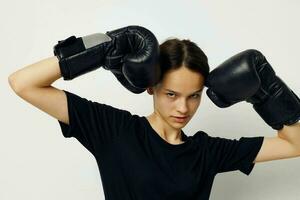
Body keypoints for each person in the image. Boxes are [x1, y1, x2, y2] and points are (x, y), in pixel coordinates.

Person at [8, 25, 300, 200]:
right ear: (151, 87)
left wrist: (268, 92)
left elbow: (294, 144)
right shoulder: (113, 130)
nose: (183, 108)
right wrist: (103, 46)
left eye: (194, 96)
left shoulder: (206, 151)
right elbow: (23, 83)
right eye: (171, 94)